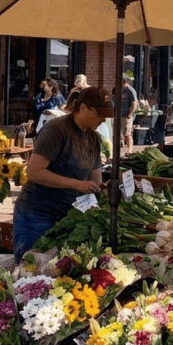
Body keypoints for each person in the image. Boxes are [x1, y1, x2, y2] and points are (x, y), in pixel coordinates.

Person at [14, 87, 112, 261]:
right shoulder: (57, 129)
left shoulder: (94, 137)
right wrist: (77, 184)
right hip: (38, 214)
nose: (104, 120)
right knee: (29, 270)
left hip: (67, 216)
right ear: (83, 108)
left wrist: (102, 190)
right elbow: (34, 172)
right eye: (100, 114)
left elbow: (95, 178)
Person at [121, 74, 139, 153]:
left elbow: (134, 104)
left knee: (127, 134)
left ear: (124, 81)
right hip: (118, 115)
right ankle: (120, 150)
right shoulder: (117, 89)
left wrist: (130, 114)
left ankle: (130, 150)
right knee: (119, 134)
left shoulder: (130, 90)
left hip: (126, 115)